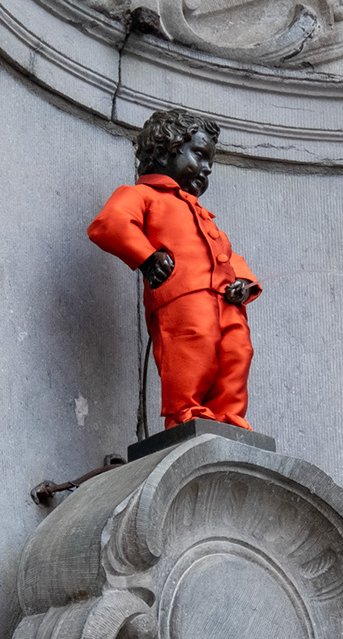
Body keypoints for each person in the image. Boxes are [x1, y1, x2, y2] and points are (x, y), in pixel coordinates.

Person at [87, 109, 261, 431]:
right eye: (199, 155)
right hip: (181, 301)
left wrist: (244, 283)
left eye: (211, 162)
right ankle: (185, 414)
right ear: (165, 149)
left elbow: (227, 254)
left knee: (238, 352)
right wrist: (148, 258)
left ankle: (229, 417)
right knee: (191, 351)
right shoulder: (142, 195)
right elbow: (108, 224)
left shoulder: (204, 216)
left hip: (226, 303)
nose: (207, 168)